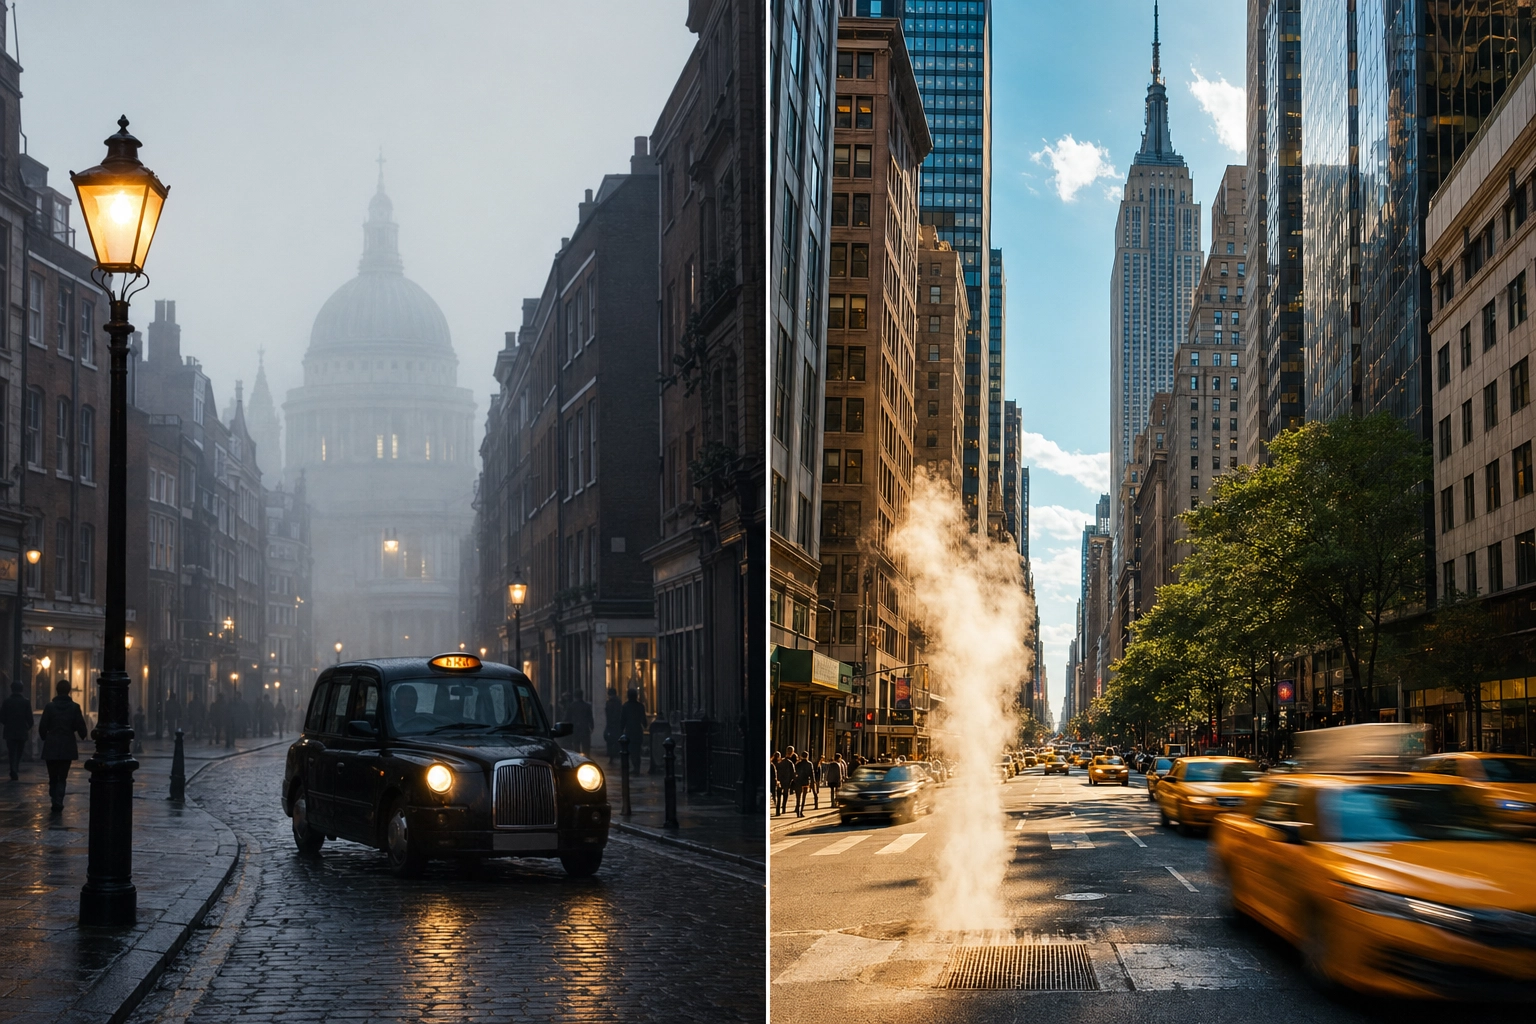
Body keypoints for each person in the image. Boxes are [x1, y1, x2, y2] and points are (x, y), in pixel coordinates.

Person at [38, 679, 88, 811]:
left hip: (52, 743)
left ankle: (54, 794)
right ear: (69, 691)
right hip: (67, 744)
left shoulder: (49, 707)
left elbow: (43, 726)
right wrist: (83, 734)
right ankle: (58, 798)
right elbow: (80, 726)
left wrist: (44, 737)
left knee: (52, 774)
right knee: (63, 775)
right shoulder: (74, 707)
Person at [1, 679, 31, 780]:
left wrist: (8, 724)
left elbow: (2, 717)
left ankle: (12, 767)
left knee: (11, 751)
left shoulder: (7, 701)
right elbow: (30, 719)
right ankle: (15, 767)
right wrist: (27, 727)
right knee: (19, 751)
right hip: (22, 731)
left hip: (9, 731)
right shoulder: (26, 702)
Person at [619, 688, 646, 774]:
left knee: (630, 749)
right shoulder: (640, 706)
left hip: (629, 730)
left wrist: (621, 729)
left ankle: (634, 766)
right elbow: (644, 720)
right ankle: (637, 767)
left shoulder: (626, 706)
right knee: (637, 750)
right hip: (638, 730)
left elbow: (623, 720)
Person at [773, 748, 797, 816]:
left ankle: (777, 810)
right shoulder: (790, 763)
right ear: (792, 752)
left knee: (778, 795)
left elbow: (776, 770)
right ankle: (783, 808)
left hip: (780, 781)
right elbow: (793, 773)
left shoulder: (780, 762)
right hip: (787, 781)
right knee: (785, 795)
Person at [569, 690, 594, 755]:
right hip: (585, 729)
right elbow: (590, 718)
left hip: (575, 729)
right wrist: (592, 726)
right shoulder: (587, 706)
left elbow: (567, 718)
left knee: (576, 747)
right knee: (586, 748)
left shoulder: (572, 706)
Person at [792, 752, 815, 817]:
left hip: (798, 782)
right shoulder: (809, 764)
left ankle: (797, 811)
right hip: (805, 782)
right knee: (804, 798)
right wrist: (813, 783)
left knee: (798, 797)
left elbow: (795, 772)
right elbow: (812, 774)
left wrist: (795, 780)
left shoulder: (798, 764)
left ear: (801, 756)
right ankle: (801, 811)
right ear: (807, 756)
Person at [603, 688, 622, 764]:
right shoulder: (617, 702)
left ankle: (612, 755)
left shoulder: (610, 703)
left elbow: (610, 714)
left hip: (612, 724)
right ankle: (613, 755)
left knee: (611, 741)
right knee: (614, 740)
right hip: (615, 725)